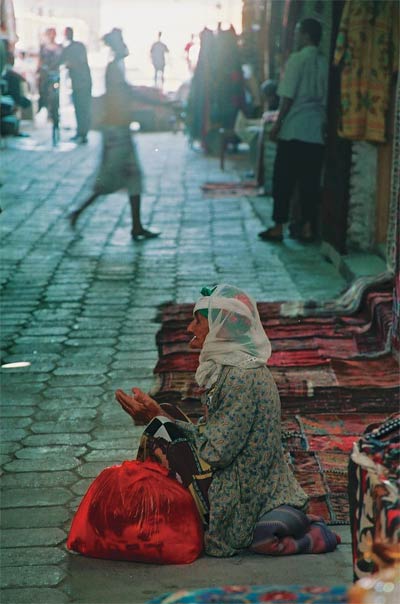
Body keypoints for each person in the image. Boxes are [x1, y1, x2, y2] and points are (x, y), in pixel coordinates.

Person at [116, 284, 341, 557]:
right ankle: (295, 521)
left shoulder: (239, 377)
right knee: (165, 426)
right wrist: (159, 417)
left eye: (196, 321)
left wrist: (159, 420)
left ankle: (312, 534)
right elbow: (216, 435)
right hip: (242, 475)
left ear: (218, 329)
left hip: (253, 487)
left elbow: (217, 451)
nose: (189, 328)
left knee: (261, 539)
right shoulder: (228, 368)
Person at [68, 28, 160, 240]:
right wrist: (160, 103)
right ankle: (78, 213)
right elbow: (128, 95)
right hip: (116, 133)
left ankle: (136, 226)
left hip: (120, 131)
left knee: (133, 177)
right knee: (109, 180)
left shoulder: (116, 68)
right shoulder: (114, 69)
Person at [258, 18, 328, 243]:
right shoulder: (325, 63)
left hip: (294, 129)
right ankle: (307, 226)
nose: (296, 36)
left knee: (284, 181)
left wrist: (277, 124)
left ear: (306, 35)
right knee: (309, 181)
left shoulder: (297, 60)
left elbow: (287, 97)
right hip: (315, 131)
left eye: (298, 32)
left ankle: (278, 226)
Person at [60, 27, 92, 144]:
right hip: (80, 83)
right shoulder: (72, 48)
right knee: (81, 108)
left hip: (81, 83)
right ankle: (81, 132)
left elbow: (71, 62)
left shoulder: (75, 48)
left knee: (82, 108)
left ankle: (82, 133)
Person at [37, 28, 62, 113]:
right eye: (50, 34)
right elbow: (40, 60)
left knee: (55, 95)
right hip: (44, 75)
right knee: (44, 94)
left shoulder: (59, 47)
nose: (52, 36)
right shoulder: (43, 47)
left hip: (55, 75)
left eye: (53, 33)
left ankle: (54, 114)